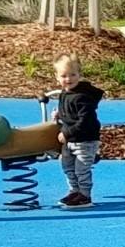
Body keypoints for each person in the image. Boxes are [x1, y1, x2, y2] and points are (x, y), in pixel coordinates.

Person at [44, 56, 104, 209]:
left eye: (73, 74)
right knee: (67, 166)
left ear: (79, 74)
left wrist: (67, 132)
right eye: (64, 75)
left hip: (85, 139)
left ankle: (84, 195)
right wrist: (59, 114)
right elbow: (69, 111)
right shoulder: (65, 93)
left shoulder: (83, 97)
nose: (68, 79)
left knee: (81, 168)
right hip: (70, 140)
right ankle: (74, 191)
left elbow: (85, 120)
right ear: (57, 77)